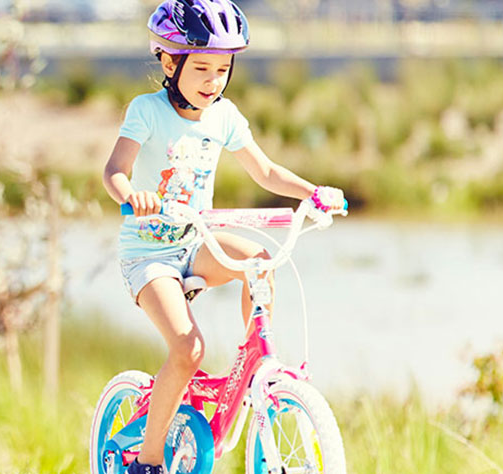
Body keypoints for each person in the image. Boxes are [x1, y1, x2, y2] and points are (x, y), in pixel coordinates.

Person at [100, 1, 344, 472]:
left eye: (223, 69)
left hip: (197, 243)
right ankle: (148, 462)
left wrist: (314, 193)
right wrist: (133, 196)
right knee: (188, 349)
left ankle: (254, 364)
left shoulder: (224, 116)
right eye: (203, 68)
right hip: (149, 254)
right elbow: (114, 170)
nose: (214, 81)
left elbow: (266, 170)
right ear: (170, 63)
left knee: (257, 260)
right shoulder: (147, 111)